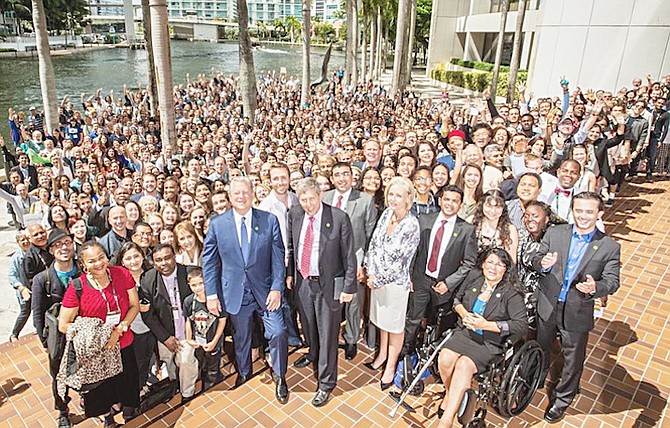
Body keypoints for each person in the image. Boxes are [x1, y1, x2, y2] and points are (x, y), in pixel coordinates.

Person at [532, 192, 621, 423]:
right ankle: (537, 378)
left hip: (577, 309)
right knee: (541, 346)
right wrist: (542, 263)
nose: (583, 216)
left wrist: (596, 287)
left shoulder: (609, 246)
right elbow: (537, 256)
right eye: (578, 210)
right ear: (572, 210)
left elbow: (613, 281)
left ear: (599, 214)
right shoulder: (555, 232)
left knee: (573, 359)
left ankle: (563, 398)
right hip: (548, 303)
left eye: (589, 212)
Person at [202, 176, 289, 404]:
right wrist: (212, 294)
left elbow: (279, 258)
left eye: (245, 192)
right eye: (236, 193)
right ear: (230, 197)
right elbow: (209, 262)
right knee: (241, 338)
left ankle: (280, 375)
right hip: (235, 294)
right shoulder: (218, 224)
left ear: (253, 194)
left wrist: (277, 287)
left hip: (266, 291)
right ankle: (244, 373)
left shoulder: (269, 220)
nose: (241, 197)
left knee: (278, 331)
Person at [435, 248, 528, 428]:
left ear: (506, 269)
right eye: (490, 262)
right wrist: (464, 314)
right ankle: (450, 393)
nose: (493, 268)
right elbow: (457, 300)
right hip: (465, 333)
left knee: (463, 365)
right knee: (445, 358)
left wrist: (485, 325)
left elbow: (521, 325)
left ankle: (446, 419)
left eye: (500, 264)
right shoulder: (474, 278)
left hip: (489, 341)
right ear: (483, 264)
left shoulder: (511, 292)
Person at [286, 177, 356, 406]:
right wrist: (290, 274)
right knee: (308, 325)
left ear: (320, 195)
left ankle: (326, 383)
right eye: (303, 200)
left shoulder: (338, 218)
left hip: (329, 284)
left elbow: (348, 255)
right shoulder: (294, 214)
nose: (308, 204)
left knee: (327, 333)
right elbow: (292, 247)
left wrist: (348, 286)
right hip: (303, 282)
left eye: (311, 199)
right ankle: (313, 354)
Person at [58, 241, 140, 424]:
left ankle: (129, 415)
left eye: (101, 257)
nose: (98, 263)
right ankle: (108, 419)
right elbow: (63, 325)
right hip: (96, 354)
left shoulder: (121, 274)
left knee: (128, 385)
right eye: (92, 260)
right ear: (83, 264)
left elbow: (134, 305)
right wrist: (97, 333)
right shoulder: (77, 287)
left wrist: (119, 329)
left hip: (123, 343)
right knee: (102, 392)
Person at [403, 185, 478, 355]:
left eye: (455, 201)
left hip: (444, 285)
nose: (450, 204)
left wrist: (449, 283)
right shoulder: (424, 220)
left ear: (460, 204)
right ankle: (406, 351)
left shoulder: (467, 230)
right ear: (440, 200)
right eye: (447, 199)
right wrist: (409, 277)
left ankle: (431, 354)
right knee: (413, 319)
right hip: (421, 279)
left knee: (437, 323)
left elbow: (469, 262)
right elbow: (413, 250)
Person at [363, 177, 420, 390]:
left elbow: (402, 261)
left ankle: (391, 365)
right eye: (391, 194)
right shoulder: (387, 214)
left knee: (394, 326)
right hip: (375, 280)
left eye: (398, 195)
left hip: (394, 284)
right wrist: (369, 270)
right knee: (382, 322)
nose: (393, 199)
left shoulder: (411, 224)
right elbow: (375, 243)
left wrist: (379, 279)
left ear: (408, 199)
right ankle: (382, 355)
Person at [322, 162, 377, 360]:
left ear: (352, 177)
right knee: (330, 300)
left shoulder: (364, 200)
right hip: (329, 259)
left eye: (345, 173)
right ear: (332, 178)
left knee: (353, 302)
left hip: (355, 257)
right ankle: (329, 337)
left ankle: (352, 338)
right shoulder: (325, 197)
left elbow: (371, 235)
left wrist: (365, 265)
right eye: (337, 174)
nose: (342, 178)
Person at [30, 229, 80, 428]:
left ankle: (91, 400)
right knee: (58, 374)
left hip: (82, 332)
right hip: (58, 336)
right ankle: (62, 409)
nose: (64, 248)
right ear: (51, 250)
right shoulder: (42, 279)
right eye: (58, 245)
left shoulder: (83, 270)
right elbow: (37, 312)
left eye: (67, 242)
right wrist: (45, 342)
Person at [257, 163, 303, 348]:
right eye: (276, 178)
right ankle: (288, 336)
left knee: (294, 299)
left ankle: (294, 331)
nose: (280, 182)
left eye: (284, 177)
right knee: (282, 301)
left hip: (298, 257)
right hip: (278, 260)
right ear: (270, 181)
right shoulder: (265, 206)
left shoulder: (296, 199)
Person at [140, 244, 192, 388]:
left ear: (174, 257)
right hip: (165, 332)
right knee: (169, 364)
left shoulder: (188, 273)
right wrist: (165, 337)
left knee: (186, 361)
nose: (164, 263)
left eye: (167, 258)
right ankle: (174, 386)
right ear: (154, 262)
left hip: (188, 331)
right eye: (159, 260)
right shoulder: (148, 280)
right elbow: (148, 315)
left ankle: (187, 393)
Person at [181, 267, 226, 401]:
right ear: (189, 285)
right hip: (198, 342)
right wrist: (189, 339)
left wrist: (215, 341)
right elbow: (188, 320)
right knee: (202, 365)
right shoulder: (189, 301)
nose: (198, 287)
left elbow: (223, 320)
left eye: (201, 283)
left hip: (213, 341)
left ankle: (210, 390)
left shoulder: (216, 299)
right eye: (194, 285)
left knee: (212, 367)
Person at [115, 242, 155, 393]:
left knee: (147, 357)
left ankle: (143, 383)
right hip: (133, 328)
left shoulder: (151, 273)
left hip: (151, 326)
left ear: (142, 255)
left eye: (136, 256)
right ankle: (134, 389)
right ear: (122, 261)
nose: (133, 261)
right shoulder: (119, 280)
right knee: (135, 362)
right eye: (128, 258)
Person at [472, 189, 519, 263]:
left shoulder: (510, 230)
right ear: (482, 205)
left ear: (503, 208)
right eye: (489, 206)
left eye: (497, 207)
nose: (493, 211)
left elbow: (512, 261)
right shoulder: (472, 221)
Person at [8, 231, 32, 342]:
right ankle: (14, 334)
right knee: (25, 312)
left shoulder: (35, 252)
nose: (26, 242)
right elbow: (12, 276)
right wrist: (21, 288)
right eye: (23, 240)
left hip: (36, 288)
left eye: (28, 238)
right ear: (18, 243)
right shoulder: (16, 258)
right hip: (25, 290)